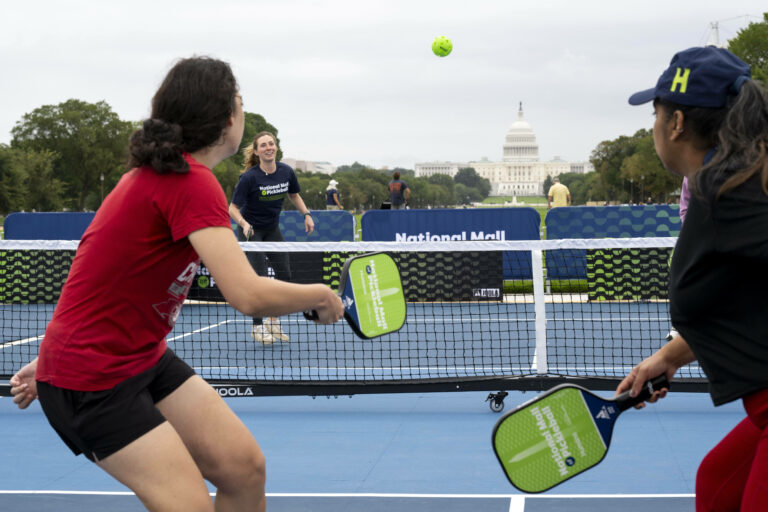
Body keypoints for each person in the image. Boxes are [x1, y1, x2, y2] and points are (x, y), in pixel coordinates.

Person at [9, 57, 344, 512]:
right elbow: (247, 295)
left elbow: (105, 277)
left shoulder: (165, 176)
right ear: (225, 118)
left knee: (244, 470)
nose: (243, 113)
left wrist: (53, 353)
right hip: (93, 380)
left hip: (138, 357)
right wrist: (321, 295)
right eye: (240, 102)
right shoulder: (188, 181)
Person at [617, 46, 768, 511]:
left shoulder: (730, 193)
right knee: (718, 482)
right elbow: (744, 300)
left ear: (677, 123)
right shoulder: (729, 184)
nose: (653, 126)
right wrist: (669, 356)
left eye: (656, 114)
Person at [228, 131, 315, 344]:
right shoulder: (249, 178)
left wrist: (306, 214)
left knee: (284, 274)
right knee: (258, 280)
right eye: (263, 145)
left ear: (276, 147)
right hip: (251, 231)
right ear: (257, 152)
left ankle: (273, 321)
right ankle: (257, 326)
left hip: (272, 229)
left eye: (271, 143)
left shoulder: (286, 172)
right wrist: (244, 224)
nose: (269, 147)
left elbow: (294, 195)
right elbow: (232, 208)